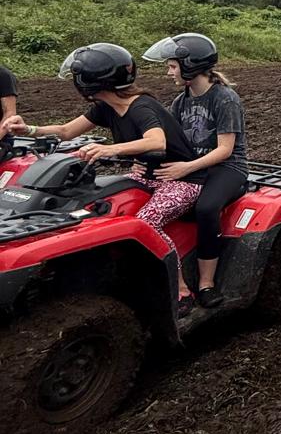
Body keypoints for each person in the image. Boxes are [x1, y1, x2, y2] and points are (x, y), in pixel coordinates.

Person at [0, 43, 201, 306]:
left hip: (182, 179)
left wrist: (109, 149)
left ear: (89, 83)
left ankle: (181, 290)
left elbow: (157, 142)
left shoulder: (141, 106)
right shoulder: (105, 107)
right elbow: (65, 131)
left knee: (146, 223)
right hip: (147, 174)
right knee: (97, 208)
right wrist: (29, 129)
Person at [143, 33, 248, 308]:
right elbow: (170, 142)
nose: (169, 72)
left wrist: (185, 168)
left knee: (205, 208)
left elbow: (225, 149)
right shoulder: (181, 101)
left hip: (228, 168)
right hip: (195, 166)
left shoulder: (224, 98)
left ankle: (206, 284)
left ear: (191, 66)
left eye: (172, 66)